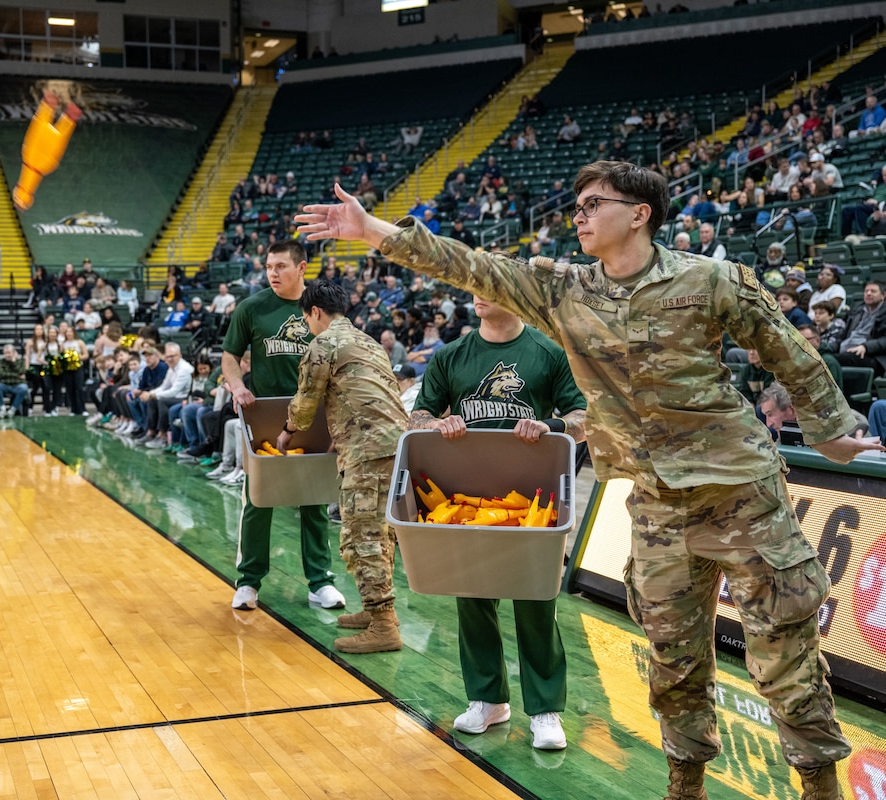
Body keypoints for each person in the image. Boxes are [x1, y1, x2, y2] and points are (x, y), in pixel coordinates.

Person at [296, 162, 883, 799]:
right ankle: (684, 788)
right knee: (672, 659)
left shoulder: (711, 278)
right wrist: (374, 229)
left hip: (742, 495)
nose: (577, 215)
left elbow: (787, 350)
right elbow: (469, 265)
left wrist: (829, 424)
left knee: (785, 657)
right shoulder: (565, 289)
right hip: (656, 503)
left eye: (593, 203)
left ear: (640, 214)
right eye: (575, 205)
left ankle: (821, 789)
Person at [409, 295, 587, 750]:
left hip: (535, 499)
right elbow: (418, 414)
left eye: (489, 283)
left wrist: (552, 426)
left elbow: (584, 416)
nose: (478, 293)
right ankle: (488, 700)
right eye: (473, 284)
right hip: (467, 497)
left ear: (513, 290)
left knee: (535, 601)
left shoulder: (549, 352)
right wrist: (436, 426)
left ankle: (545, 709)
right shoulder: (451, 355)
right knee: (472, 596)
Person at [275, 280, 407, 653]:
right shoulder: (368, 342)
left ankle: (383, 626)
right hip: (397, 447)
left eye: (306, 319)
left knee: (361, 536)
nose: (308, 326)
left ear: (315, 312)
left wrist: (287, 432)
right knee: (382, 534)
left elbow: (305, 402)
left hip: (367, 452)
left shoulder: (323, 343)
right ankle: (377, 611)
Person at [223, 239, 345, 612]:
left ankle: (320, 582)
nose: (273, 273)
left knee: (314, 497)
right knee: (258, 500)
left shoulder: (322, 308)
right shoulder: (251, 307)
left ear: (302, 267)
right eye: (269, 266)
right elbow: (230, 356)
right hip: (265, 414)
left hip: (313, 414)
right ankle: (248, 582)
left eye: (281, 266)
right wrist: (238, 385)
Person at [0, 343, 30, 417]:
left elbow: (22, 372)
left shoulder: (20, 362)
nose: (7, 355)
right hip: (5, 385)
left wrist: (13, 362)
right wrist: (17, 376)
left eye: (9, 352)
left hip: (17, 386)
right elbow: (1, 375)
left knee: (24, 387)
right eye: (5, 353)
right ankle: (2, 408)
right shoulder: (1, 362)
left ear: (14, 353)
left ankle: (13, 410)